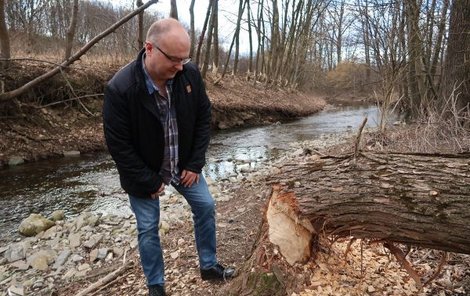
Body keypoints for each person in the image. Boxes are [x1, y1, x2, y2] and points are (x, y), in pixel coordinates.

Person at [103, 18, 235, 296]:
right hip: (144, 170)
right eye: (174, 59)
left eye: (184, 59)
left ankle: (209, 266)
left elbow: (203, 118)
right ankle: (156, 286)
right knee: (148, 228)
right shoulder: (120, 88)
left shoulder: (189, 74)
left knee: (206, 207)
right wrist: (147, 180)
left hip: (183, 163)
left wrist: (194, 163)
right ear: (149, 48)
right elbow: (119, 146)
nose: (179, 66)